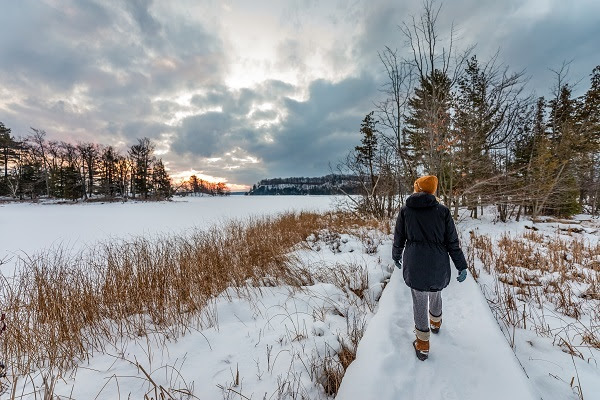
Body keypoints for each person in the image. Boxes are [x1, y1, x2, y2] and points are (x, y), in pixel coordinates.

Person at [392, 175, 468, 361]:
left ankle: (423, 344)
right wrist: (461, 266)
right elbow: (452, 242)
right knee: (435, 293)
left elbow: (399, 237)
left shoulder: (406, 210)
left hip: (415, 263)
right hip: (437, 264)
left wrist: (396, 255)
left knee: (419, 301)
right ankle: (435, 323)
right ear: (433, 190)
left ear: (417, 188)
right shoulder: (442, 211)